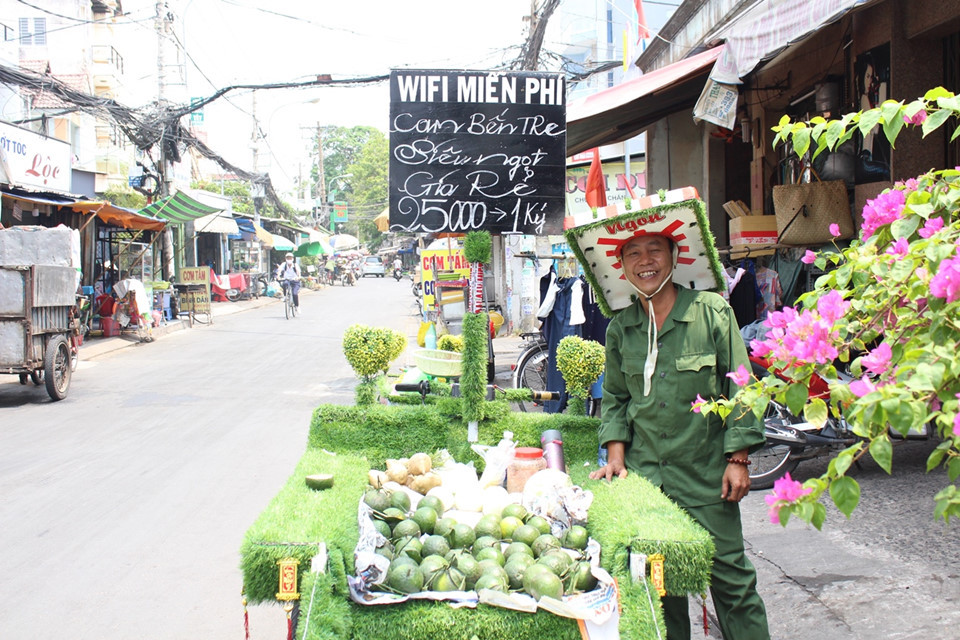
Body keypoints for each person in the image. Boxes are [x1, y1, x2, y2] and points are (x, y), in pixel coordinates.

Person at [588, 232, 770, 640]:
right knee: (661, 593)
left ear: (674, 256)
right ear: (622, 266)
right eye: (633, 253)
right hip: (648, 484)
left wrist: (738, 458)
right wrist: (616, 456)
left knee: (734, 586)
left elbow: (742, 384)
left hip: (707, 480)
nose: (645, 261)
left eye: (655, 250)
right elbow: (616, 398)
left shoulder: (712, 312)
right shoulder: (621, 329)